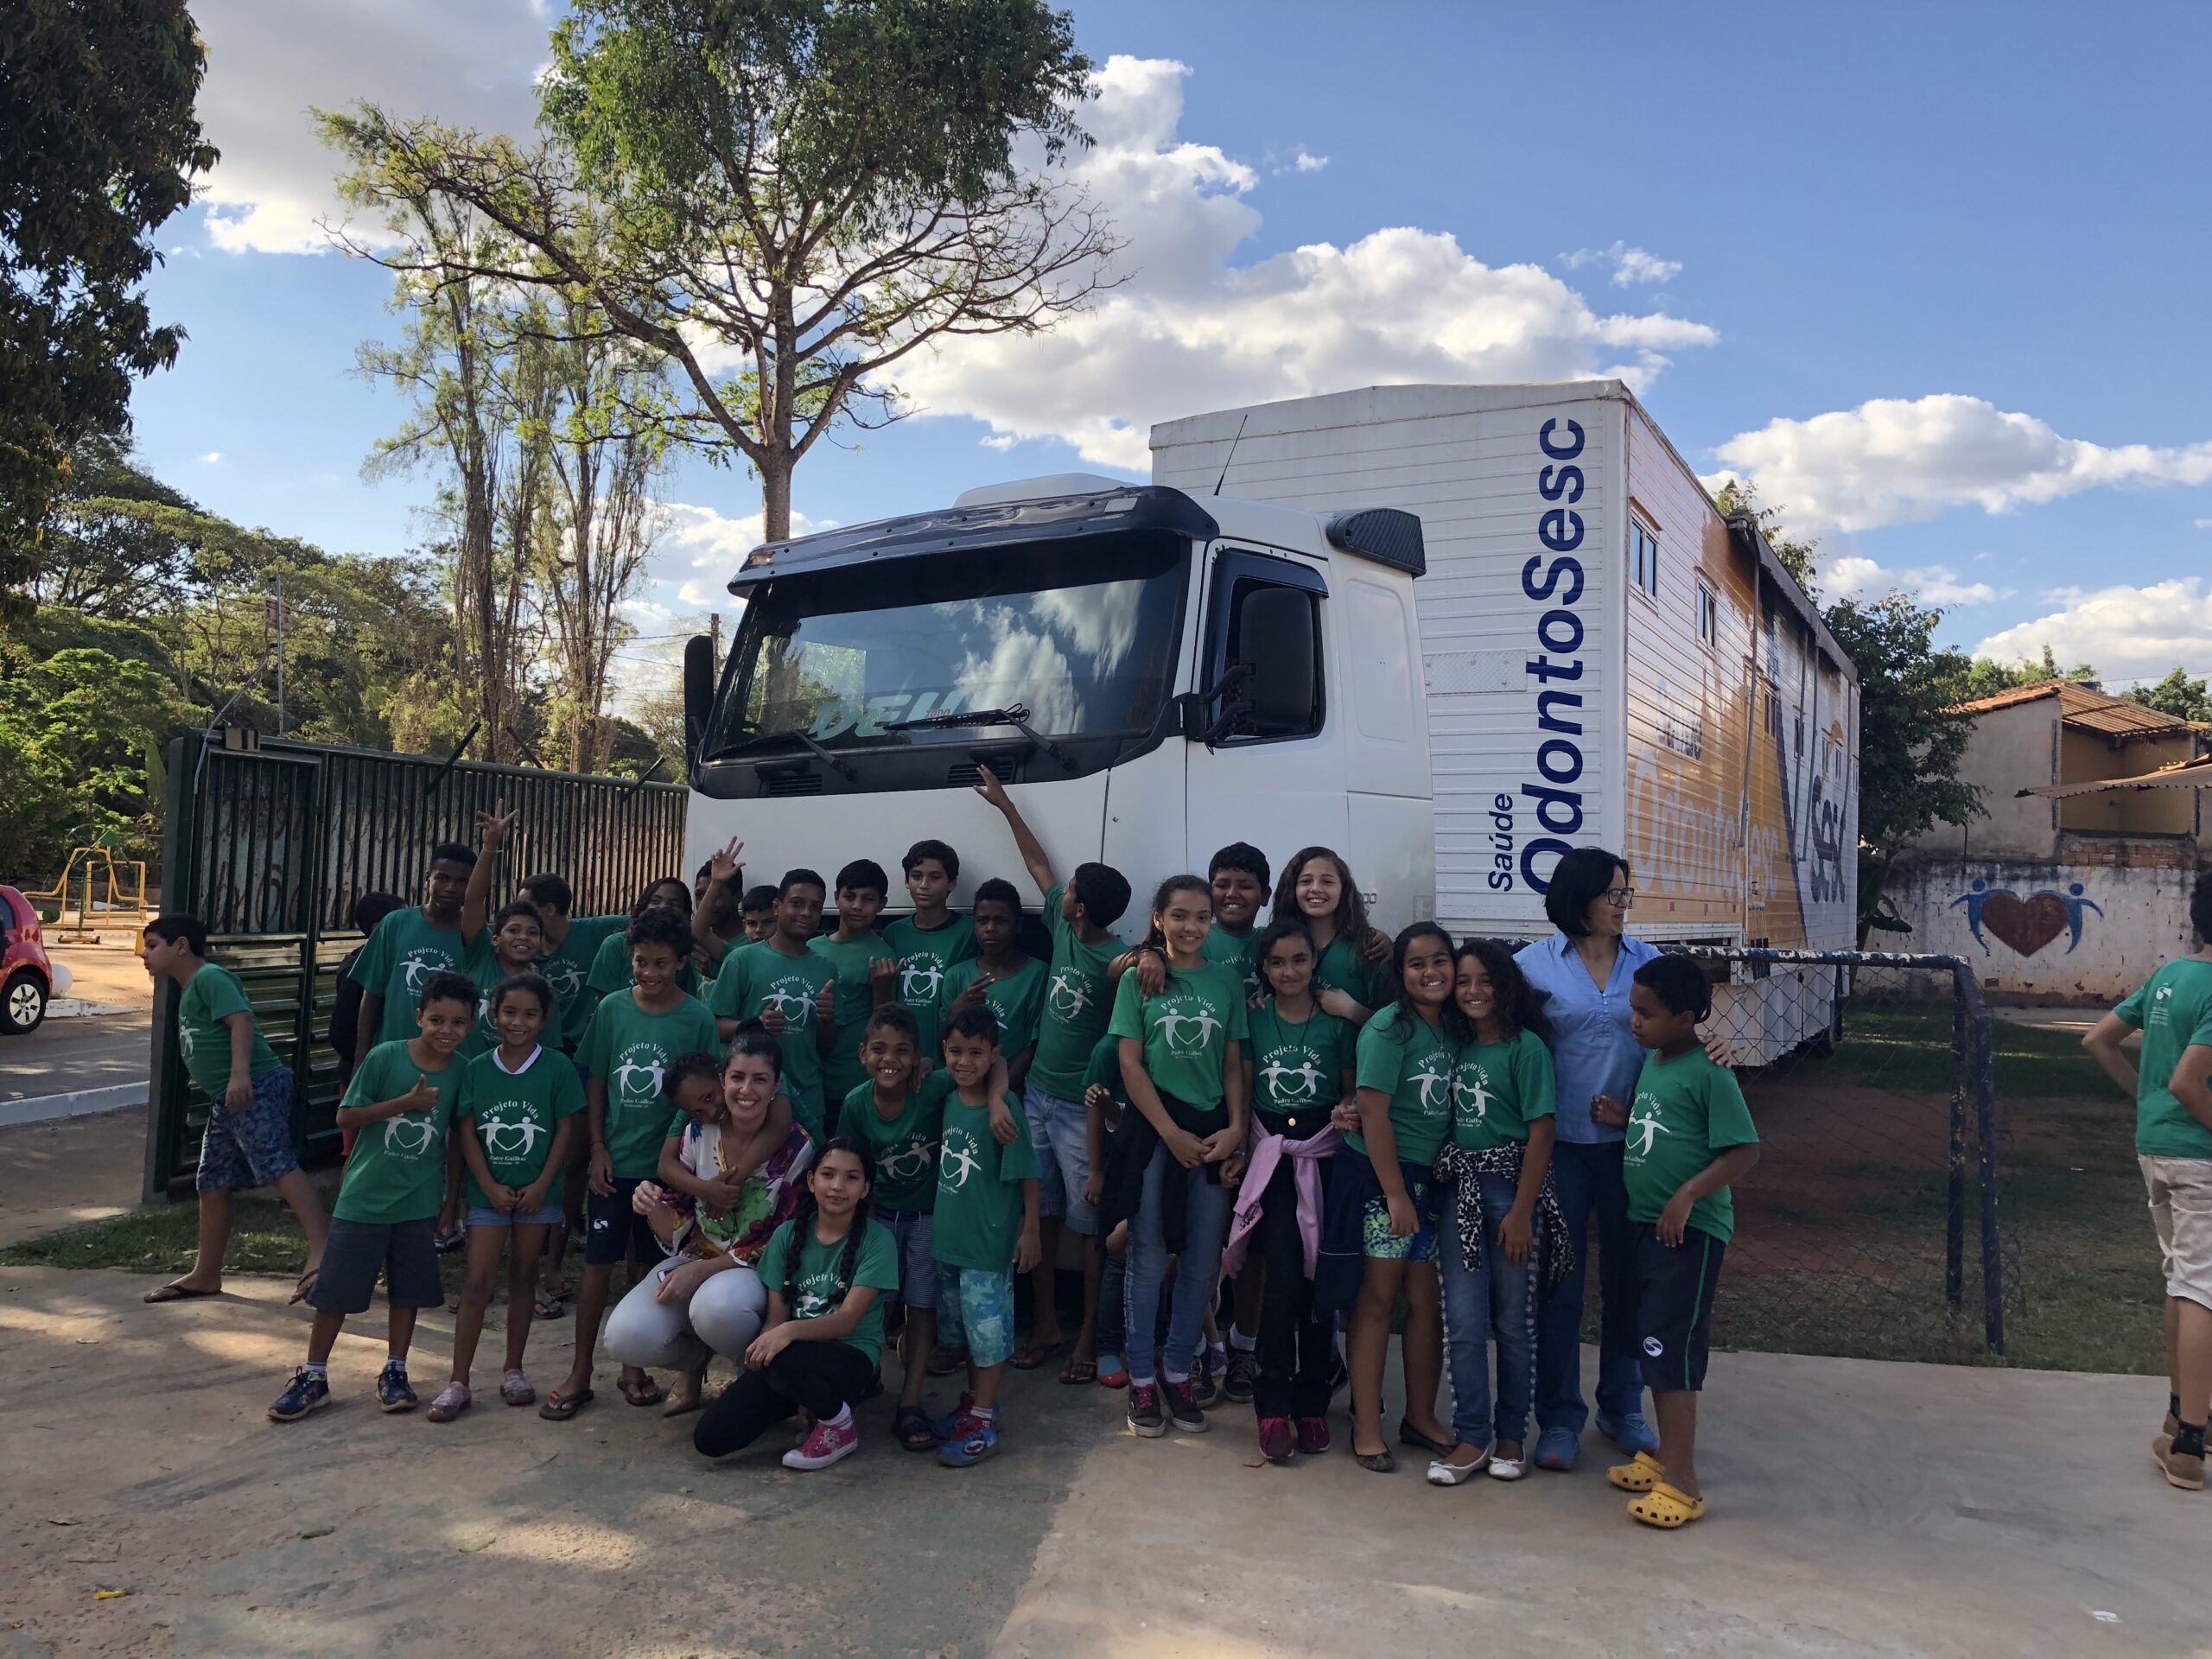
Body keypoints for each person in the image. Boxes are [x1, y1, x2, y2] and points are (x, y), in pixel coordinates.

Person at [974, 763, 1130, 1385]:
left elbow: (1149, 965)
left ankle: (1088, 1333)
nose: (1059, 892)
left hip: (1079, 1111)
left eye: (1070, 892)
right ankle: (1046, 1324)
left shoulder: (1114, 959)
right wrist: (1006, 807)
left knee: (1089, 1229)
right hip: (1035, 1096)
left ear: (1081, 907)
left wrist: (1148, 958)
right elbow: (1038, 862)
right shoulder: (1066, 928)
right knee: (1039, 1217)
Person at [1592, 955, 1760, 1528]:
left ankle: (1684, 1483)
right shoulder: (1656, 1061)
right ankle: (1667, 1458)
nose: (1634, 1022)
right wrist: (1624, 1119)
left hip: (1689, 1235)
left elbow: (1744, 1150)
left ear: (1686, 1018)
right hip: (1644, 1226)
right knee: (1651, 1344)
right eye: (1633, 1010)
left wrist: (1688, 1195)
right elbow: (1669, 1126)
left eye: (1646, 1013)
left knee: (1672, 1353)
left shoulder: (1711, 1072)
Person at [1511, 847, 1663, 1472]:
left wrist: (1635, 1112)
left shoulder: (1650, 963)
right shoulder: (1530, 967)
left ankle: (1622, 1405)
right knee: (1560, 1285)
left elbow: (1675, 1045)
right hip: (1559, 1149)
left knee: (1629, 1281)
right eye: (1613, 895)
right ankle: (1558, 1416)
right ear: (1580, 899)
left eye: (1627, 894)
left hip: (1631, 1148)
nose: (1624, 905)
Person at [268, 969, 476, 1421]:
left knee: (408, 1292)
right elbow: (346, 1116)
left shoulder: (463, 1070)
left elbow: (457, 1141)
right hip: (364, 1199)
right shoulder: (386, 1057)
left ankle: (395, 1370)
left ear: (471, 1025)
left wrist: (451, 1204)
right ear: (419, 1017)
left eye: (458, 1023)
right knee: (335, 1291)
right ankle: (314, 1376)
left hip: (419, 1203)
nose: (447, 1031)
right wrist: (405, 1104)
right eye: (437, 1020)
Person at [545, 906, 723, 1421]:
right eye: (641, 962)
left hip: (668, 1171)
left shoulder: (698, 1018)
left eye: (661, 963)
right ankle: (580, 1370)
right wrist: (598, 1146)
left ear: (682, 963)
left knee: (646, 1268)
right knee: (597, 1265)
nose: (648, 972)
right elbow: (597, 1079)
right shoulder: (612, 1009)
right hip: (614, 1164)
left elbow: (707, 1096)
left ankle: (634, 1365)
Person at [1108, 874, 1250, 1439]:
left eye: (1202, 917)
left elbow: (1233, 1062)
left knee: (1201, 1260)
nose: (1192, 927)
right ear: (1159, 918)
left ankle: (1177, 1372)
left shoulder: (1226, 981)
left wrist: (1237, 1128)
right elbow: (1130, 1063)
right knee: (1147, 1256)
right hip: (1154, 1132)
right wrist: (1169, 1132)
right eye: (1180, 916)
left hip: (1211, 1133)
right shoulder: (1139, 979)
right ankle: (1142, 1379)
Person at [601, 1036, 813, 1416]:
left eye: (760, 1080)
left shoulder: (797, 1147)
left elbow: (786, 1238)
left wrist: (704, 1270)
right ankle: (696, 1362)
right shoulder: (697, 1131)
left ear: (777, 1086)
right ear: (723, 1077)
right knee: (624, 1337)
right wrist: (651, 1205)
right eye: (738, 1078)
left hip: (755, 1271)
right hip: (697, 1256)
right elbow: (680, 1211)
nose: (746, 1090)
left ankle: (759, 1376)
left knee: (718, 1308)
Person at [2083, 868, 2212, 1493]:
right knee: (2204, 1290)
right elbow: (2189, 1083)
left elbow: (2098, 1040)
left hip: (2156, 1149)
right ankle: (2190, 1443)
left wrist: (2144, 1101)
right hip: (2200, 1157)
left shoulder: (2169, 976)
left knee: (2182, 1281)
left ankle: (2180, 1411)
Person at [1322, 923, 1462, 1472]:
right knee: (1378, 1298)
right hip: (1385, 1179)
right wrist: (1396, 1194)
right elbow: (1372, 1113)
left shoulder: (1457, 1026)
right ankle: (1365, 1425)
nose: (1431, 973)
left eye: (1440, 960)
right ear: (1400, 974)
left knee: (1426, 1301)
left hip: (1434, 1180)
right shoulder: (1387, 1028)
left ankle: (1420, 1417)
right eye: (1417, 964)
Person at [1429, 938, 1567, 1486]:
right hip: (1460, 1196)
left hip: (1512, 1194)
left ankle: (1512, 1436)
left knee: (1513, 1322)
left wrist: (1522, 1213)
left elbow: (1542, 1133)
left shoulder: (1525, 1049)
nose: (1473, 991)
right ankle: (1472, 1436)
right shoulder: (1455, 1045)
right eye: (1463, 981)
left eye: (1485, 980)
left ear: (1506, 986)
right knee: (1463, 1323)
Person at [142, 913, 330, 1307]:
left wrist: (240, 1075)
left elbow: (240, 1021)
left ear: (181, 946)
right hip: (227, 1099)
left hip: (254, 1087)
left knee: (277, 1166)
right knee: (212, 1180)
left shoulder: (210, 978)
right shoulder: (189, 988)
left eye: (153, 945)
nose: (145, 955)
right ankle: (206, 1273)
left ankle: (323, 1251)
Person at [1219, 917, 1353, 1462]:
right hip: (1273, 1163)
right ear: (1264, 969)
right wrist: (1240, 1148)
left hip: (1324, 1159)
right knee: (1281, 1282)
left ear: (1313, 963)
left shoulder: (1335, 1025)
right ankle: (1272, 1403)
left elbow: (1349, 1094)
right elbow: (1245, 1089)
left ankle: (1312, 1401)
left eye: (1299, 960)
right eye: (1277, 963)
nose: (1289, 971)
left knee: (1320, 1285)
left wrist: (1346, 1114)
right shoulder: (1255, 1020)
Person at [692, 1138, 901, 1469]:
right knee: (711, 1438)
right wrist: (761, 1359)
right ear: (811, 1181)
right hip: (792, 1362)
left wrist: (786, 1335)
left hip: (850, 1358)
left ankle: (839, 1427)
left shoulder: (878, 1240)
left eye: (851, 1178)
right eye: (828, 1174)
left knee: (782, 1356)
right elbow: (776, 1318)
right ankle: (809, 1402)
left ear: (865, 1189)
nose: (838, 1186)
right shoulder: (787, 1235)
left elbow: (847, 1320)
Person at [433, 973, 582, 1420]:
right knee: (476, 1282)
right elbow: (466, 1132)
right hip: (487, 1197)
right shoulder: (477, 1069)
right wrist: (486, 1187)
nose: (518, 1022)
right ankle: (458, 1381)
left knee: (523, 1278)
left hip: (538, 1197)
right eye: (510, 1013)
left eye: (530, 1014)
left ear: (544, 1019)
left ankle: (514, 1370)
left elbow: (565, 1130)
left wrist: (541, 1186)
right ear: (493, 1015)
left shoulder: (557, 1067)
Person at [927, 1006, 1043, 1467]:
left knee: (989, 1336)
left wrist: (1030, 1230)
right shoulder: (947, 1094)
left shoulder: (1006, 1109)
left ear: (994, 1055)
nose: (964, 1061)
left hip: (987, 1247)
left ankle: (982, 1426)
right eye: (955, 1051)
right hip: (950, 1243)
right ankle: (978, 1404)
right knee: (968, 1336)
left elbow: (1028, 1173)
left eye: (976, 1053)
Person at [707, 868, 839, 1138]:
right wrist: (756, 1025)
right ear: (778, 907)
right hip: (750, 1097)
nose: (806, 913)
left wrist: (827, 1019)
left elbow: (826, 1045)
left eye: (815, 907)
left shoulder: (826, 967)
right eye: (797, 903)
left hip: (807, 1097)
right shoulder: (742, 960)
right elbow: (714, 1026)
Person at [346, 839, 493, 1055]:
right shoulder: (395, 923)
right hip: (394, 1055)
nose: (451, 888)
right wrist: (361, 1055)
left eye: (463, 882)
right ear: (427, 878)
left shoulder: (478, 938)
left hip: (452, 1060)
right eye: (442, 878)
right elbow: (372, 994)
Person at [811, 858, 899, 1129]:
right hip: (810, 1075)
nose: (858, 906)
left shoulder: (882, 956)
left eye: (868, 899)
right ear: (836, 897)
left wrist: (882, 989)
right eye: (850, 897)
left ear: (882, 904)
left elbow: (885, 1024)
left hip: (854, 1078)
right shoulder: (812, 948)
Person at [884, 837, 979, 1061]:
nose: (924, 885)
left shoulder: (970, 931)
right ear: (906, 881)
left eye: (935, 877)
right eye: (917, 876)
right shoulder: (894, 933)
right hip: (902, 1057)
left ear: (951, 883)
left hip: (951, 1058)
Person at [1273, 848, 1391, 1023]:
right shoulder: (1277, 945)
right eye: (1305, 881)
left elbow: (1394, 1027)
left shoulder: (1369, 948)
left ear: (1343, 890)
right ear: (1293, 889)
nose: (1315, 888)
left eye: (1327, 882)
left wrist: (1352, 1010)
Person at [518, 871, 630, 1055]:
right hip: (544, 1047)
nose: (520, 915)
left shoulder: (595, 931)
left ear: (550, 909)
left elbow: (645, 922)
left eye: (526, 908)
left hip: (586, 1046)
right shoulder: (525, 947)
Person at [583, 877, 703, 1013]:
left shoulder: (687, 950)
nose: (662, 907)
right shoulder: (615, 945)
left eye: (673, 904)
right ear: (644, 906)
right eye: (655, 901)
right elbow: (607, 1009)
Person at [331, 892, 407, 1087]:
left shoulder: (392, 962)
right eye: (401, 921)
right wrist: (369, 1058)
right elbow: (341, 1033)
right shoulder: (356, 971)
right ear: (379, 928)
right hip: (363, 1076)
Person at [463, 899, 546, 1058]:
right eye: (514, 930)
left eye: (532, 933)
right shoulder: (480, 958)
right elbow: (473, 900)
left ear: (541, 941)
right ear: (495, 939)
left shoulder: (543, 990)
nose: (523, 937)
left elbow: (545, 1049)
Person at [690, 837, 753, 973]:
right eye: (700, 896)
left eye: (716, 895)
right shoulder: (692, 945)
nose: (706, 903)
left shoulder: (753, 942)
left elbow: (699, 932)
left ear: (737, 898)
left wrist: (717, 882)